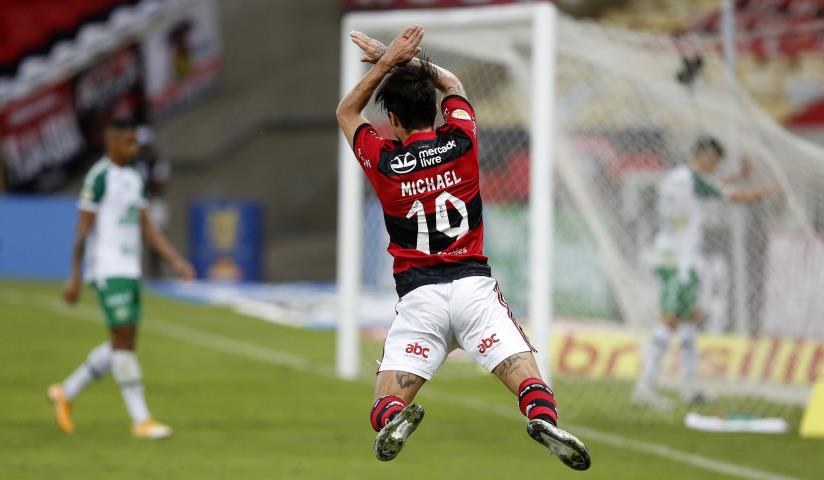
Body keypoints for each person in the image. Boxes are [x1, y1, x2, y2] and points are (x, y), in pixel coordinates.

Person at [336, 26, 591, 470]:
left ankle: (395, 417)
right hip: (473, 288)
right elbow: (452, 83)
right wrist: (409, 63)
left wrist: (385, 64)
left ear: (392, 120)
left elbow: (346, 110)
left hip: (420, 298)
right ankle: (540, 417)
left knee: (384, 406)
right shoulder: (463, 140)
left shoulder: (385, 162)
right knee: (529, 379)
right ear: (434, 112)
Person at [48, 118, 195, 439]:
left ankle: (65, 392)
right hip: (107, 269)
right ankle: (141, 420)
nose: (133, 148)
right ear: (111, 142)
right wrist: (74, 276)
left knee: (123, 343)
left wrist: (175, 261)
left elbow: (146, 226)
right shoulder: (99, 177)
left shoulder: (133, 177)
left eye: (134, 142)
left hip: (129, 269)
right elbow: (82, 230)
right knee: (123, 345)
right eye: (128, 142)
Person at [633, 136, 778, 408]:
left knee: (691, 318)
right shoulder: (695, 179)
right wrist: (772, 189)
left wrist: (738, 175)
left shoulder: (677, 177)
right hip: (679, 261)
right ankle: (644, 386)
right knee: (670, 320)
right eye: (715, 163)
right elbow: (734, 196)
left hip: (672, 255)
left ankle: (689, 388)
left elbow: (710, 186)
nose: (715, 168)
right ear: (707, 157)